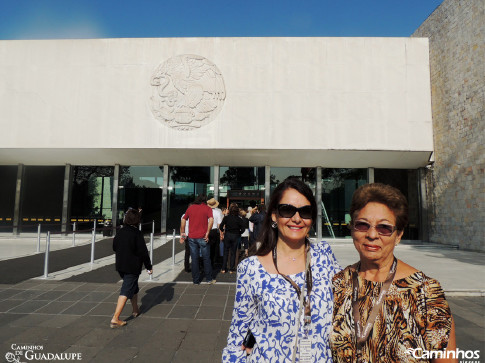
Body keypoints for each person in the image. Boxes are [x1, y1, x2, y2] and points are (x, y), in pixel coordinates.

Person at [330, 183, 457, 363]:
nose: (372, 234)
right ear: (352, 229)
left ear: (398, 235)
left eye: (384, 228)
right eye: (362, 225)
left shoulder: (426, 292)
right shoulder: (339, 283)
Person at [222, 177, 341, 362]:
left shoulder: (324, 255)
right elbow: (237, 334)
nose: (297, 218)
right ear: (274, 215)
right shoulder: (251, 268)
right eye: (287, 210)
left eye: (305, 212)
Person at [111, 209, 152, 328]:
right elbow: (143, 252)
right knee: (126, 290)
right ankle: (115, 317)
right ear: (137, 220)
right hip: (132, 266)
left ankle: (135, 310)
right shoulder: (137, 234)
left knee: (133, 287)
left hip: (120, 265)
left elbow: (114, 247)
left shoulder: (120, 231)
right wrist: (148, 266)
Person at [180, 195, 216, 285]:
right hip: (203, 236)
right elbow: (211, 220)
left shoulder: (191, 208)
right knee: (206, 258)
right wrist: (207, 232)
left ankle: (195, 280)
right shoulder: (207, 209)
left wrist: (182, 233)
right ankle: (209, 279)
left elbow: (183, 220)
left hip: (192, 237)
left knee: (194, 259)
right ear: (205, 201)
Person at [219, 203, 246, 274]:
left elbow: (221, 226)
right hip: (235, 235)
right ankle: (231, 269)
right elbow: (243, 229)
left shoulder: (226, 217)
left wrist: (223, 231)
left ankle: (223, 268)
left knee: (226, 252)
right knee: (233, 252)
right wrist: (239, 233)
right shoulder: (239, 219)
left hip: (227, 234)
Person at [207, 197, 223, 267]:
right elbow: (219, 224)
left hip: (206, 230)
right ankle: (214, 261)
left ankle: (207, 261)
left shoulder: (205, 211)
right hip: (214, 231)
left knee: (207, 246)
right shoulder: (218, 212)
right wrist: (221, 234)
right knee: (215, 247)